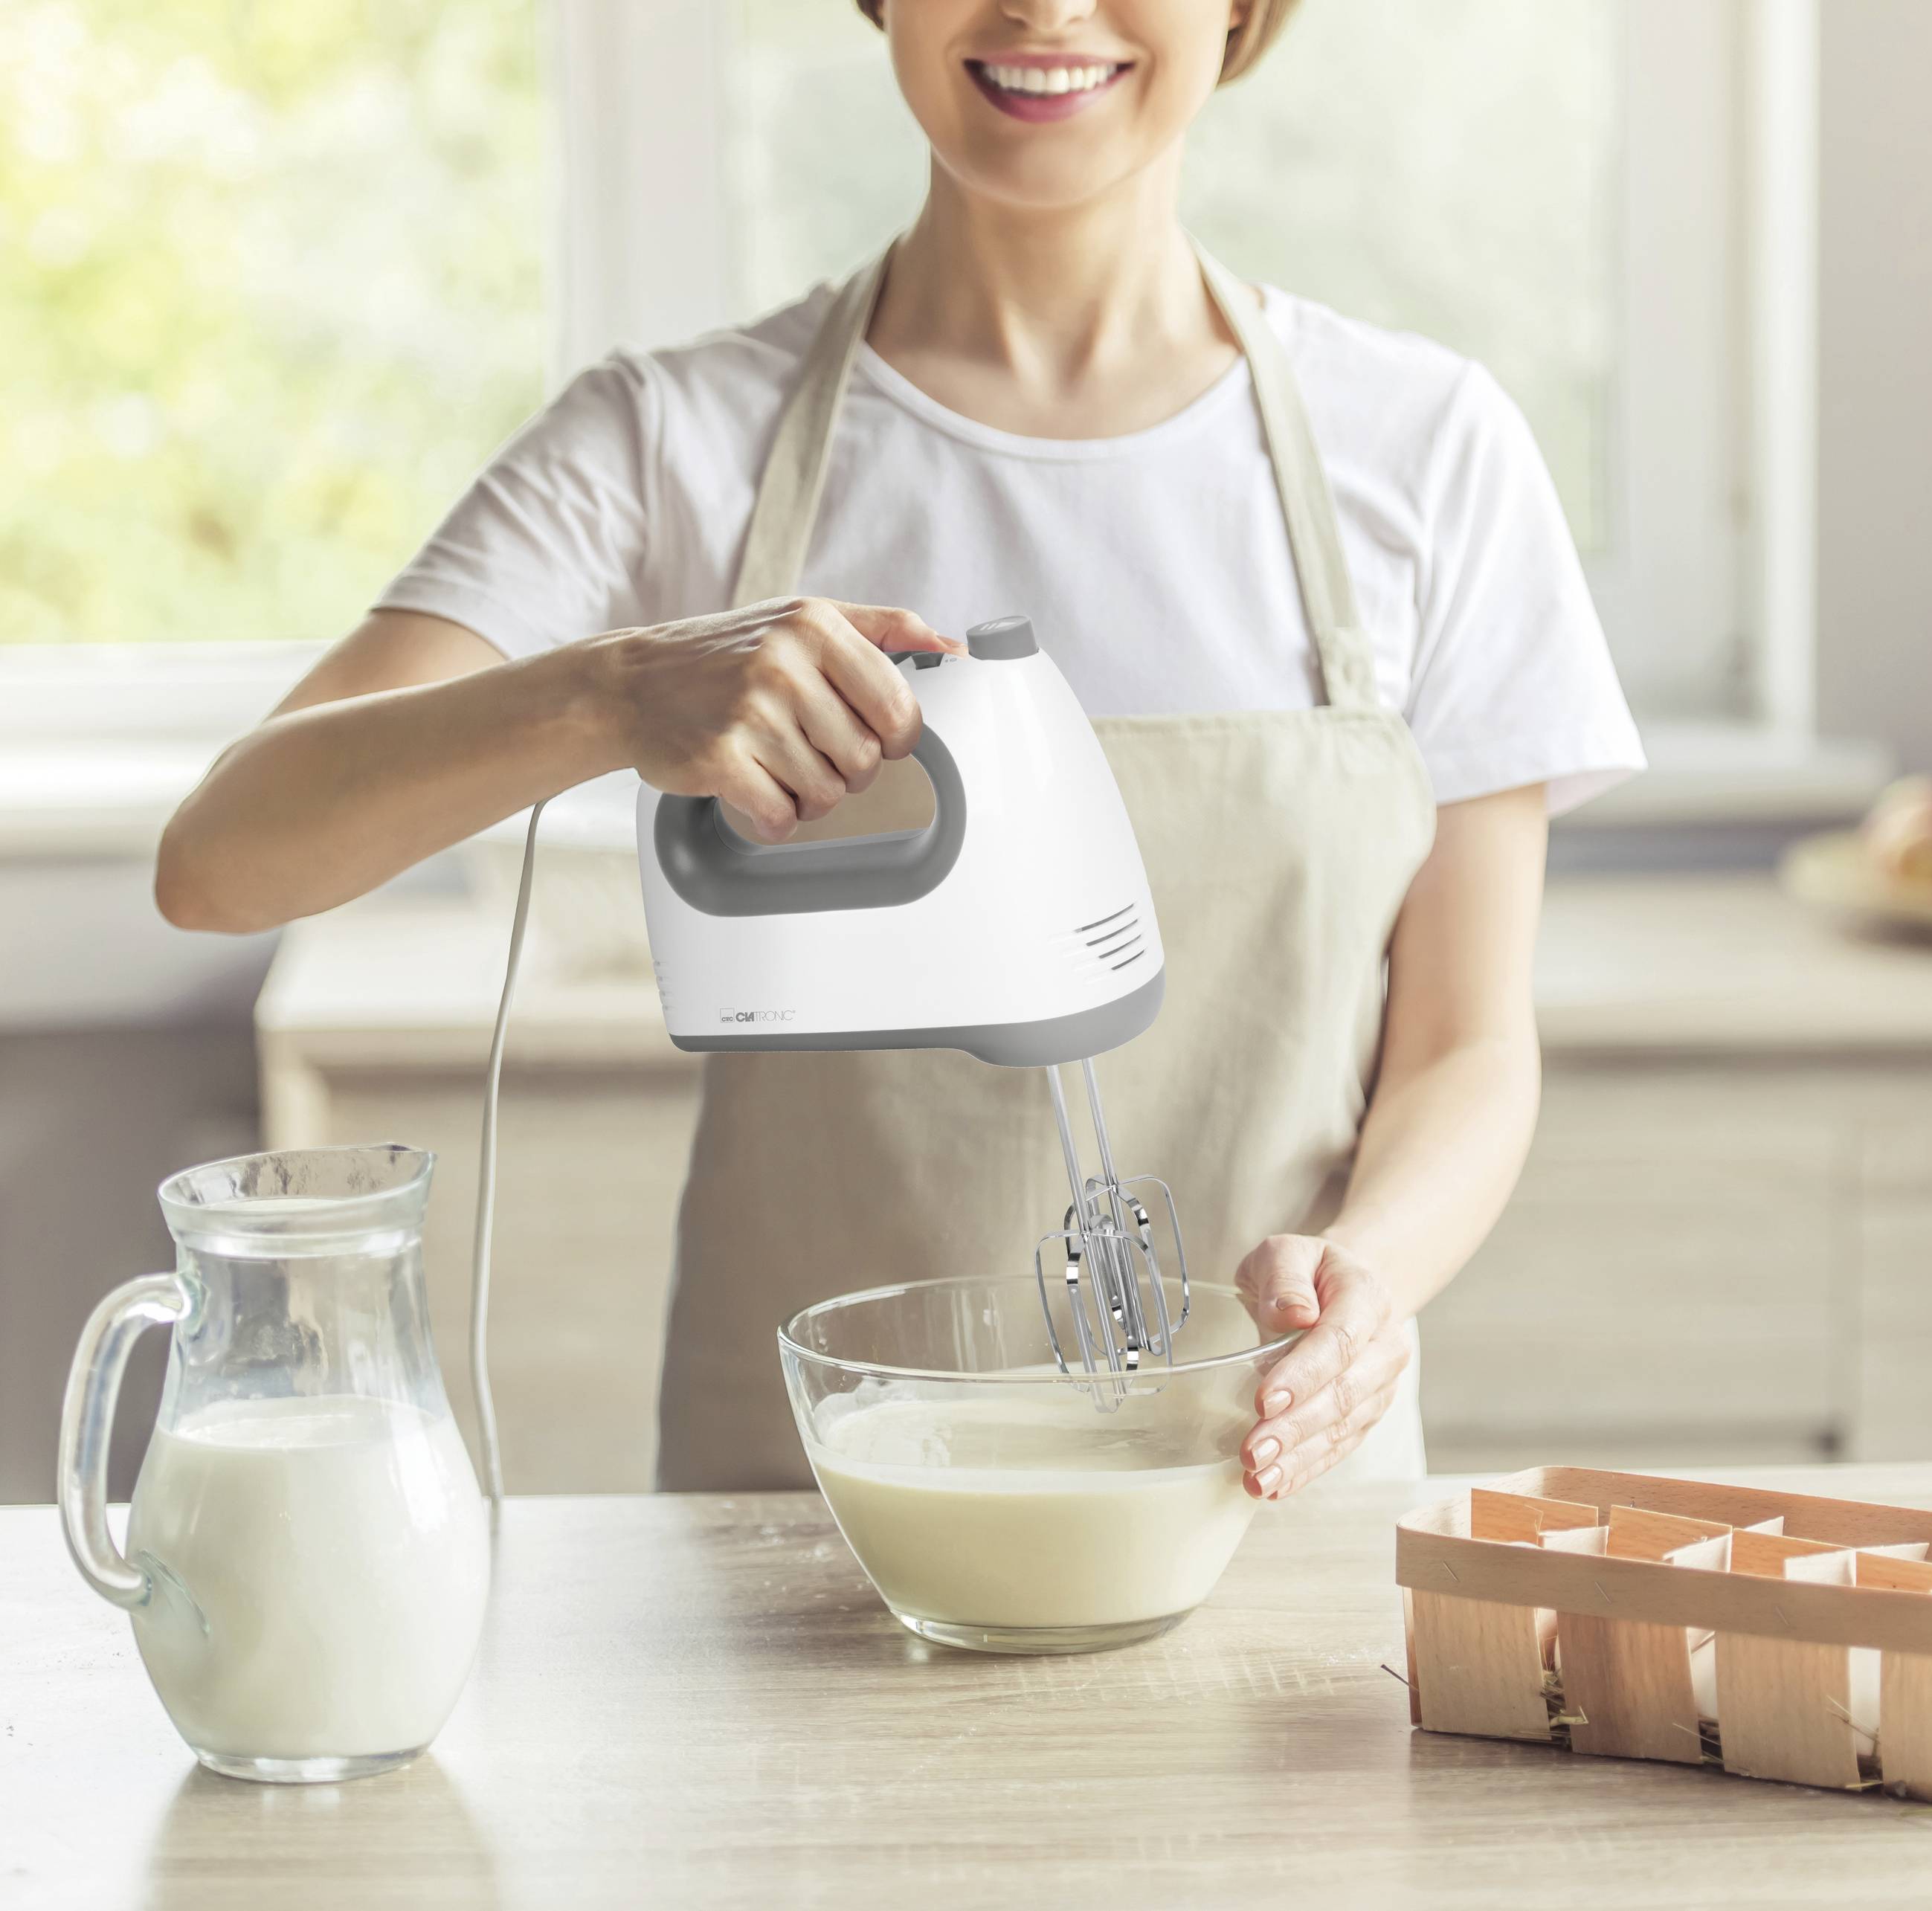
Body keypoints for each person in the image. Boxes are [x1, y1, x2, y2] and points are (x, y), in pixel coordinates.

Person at [157, 0, 1643, 1499]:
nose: (1048, 10)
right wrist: (604, 696)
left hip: (1267, 1483)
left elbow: (1465, 1045)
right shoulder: (674, 441)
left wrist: (1370, 1280)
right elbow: (223, 859)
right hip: (814, 1526)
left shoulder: (1428, 449)